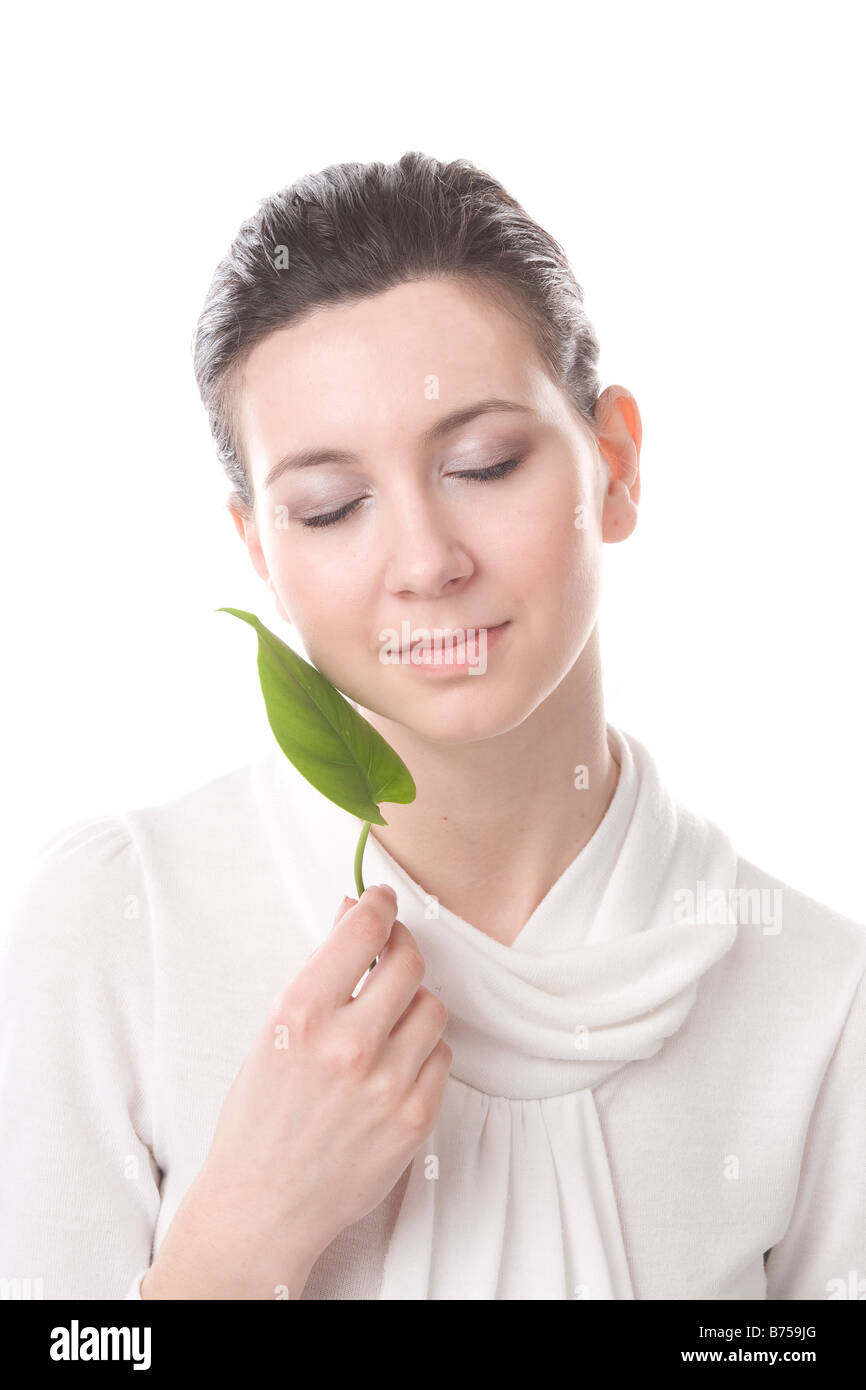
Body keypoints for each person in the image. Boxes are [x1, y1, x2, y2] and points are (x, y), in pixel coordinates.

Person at [1, 152, 863, 1301]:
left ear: (612, 463)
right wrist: (240, 1238)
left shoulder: (813, 999)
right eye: (331, 506)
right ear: (261, 550)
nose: (423, 562)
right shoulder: (114, 932)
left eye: (480, 463)